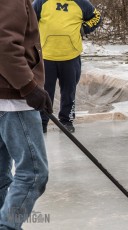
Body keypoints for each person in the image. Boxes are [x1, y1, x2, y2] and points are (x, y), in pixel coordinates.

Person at [0, 0, 53, 229]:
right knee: (33, 173)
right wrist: (29, 86)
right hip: (13, 97)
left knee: (1, 174)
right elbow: (5, 46)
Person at [33, 0, 102, 133]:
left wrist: (83, 28)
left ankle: (66, 120)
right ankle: (42, 122)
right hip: (46, 57)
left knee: (69, 91)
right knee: (45, 92)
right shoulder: (41, 2)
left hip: (71, 57)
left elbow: (97, 17)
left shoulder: (81, 3)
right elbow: (28, 18)